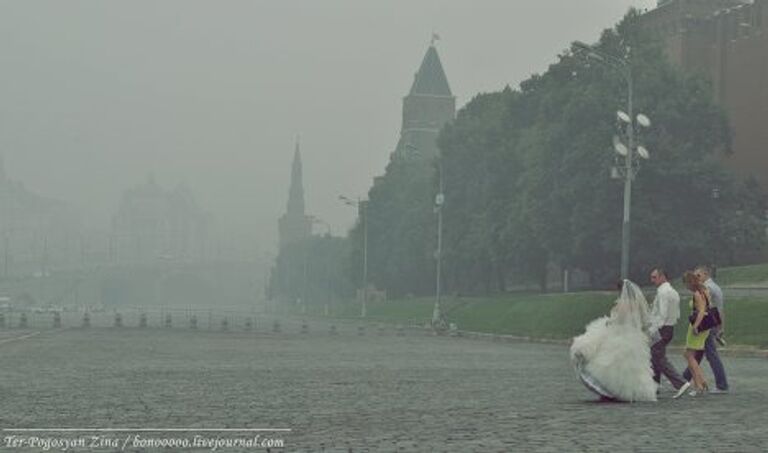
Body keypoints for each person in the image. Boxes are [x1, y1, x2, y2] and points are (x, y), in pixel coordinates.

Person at [570, 279, 657, 402]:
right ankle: (629, 392)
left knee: (612, 363)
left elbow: (620, 318)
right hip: (634, 335)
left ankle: (611, 390)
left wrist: (610, 322)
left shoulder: (624, 303)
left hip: (621, 334)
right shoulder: (637, 303)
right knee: (630, 367)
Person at [682, 265, 729, 392]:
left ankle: (721, 384)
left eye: (698, 275)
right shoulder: (716, 288)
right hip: (712, 323)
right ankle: (684, 379)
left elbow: (704, 309)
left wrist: (697, 326)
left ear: (705, 274)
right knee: (696, 354)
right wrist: (721, 327)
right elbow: (720, 310)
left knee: (710, 355)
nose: (696, 278)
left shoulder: (707, 288)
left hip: (705, 325)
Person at [647, 268, 690, 398]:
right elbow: (677, 314)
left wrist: (653, 330)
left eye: (654, 277)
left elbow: (662, 314)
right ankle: (654, 386)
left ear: (662, 277)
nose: (652, 280)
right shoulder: (672, 291)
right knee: (655, 357)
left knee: (659, 358)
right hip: (668, 328)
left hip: (662, 328)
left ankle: (681, 383)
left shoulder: (663, 293)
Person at [681, 270, 710, 396]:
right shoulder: (705, 291)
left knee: (689, 355)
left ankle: (700, 384)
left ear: (689, 283)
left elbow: (701, 311)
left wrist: (695, 326)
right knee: (689, 355)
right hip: (706, 326)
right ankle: (701, 383)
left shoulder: (697, 294)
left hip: (697, 325)